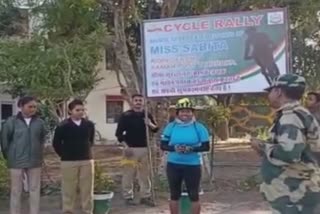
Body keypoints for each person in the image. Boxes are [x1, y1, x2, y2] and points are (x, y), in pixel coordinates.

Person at [250, 74, 320, 213]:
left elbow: (289, 153)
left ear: (279, 92)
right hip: (299, 191)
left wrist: (262, 146)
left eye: (270, 91)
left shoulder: (291, 116)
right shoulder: (301, 113)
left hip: (295, 194)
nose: (269, 95)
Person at [160, 98, 210, 214]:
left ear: (192, 113)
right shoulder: (171, 127)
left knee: (194, 195)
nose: (185, 114)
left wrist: (191, 149)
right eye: (182, 111)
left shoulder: (199, 127)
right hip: (174, 164)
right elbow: (163, 145)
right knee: (174, 194)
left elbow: (206, 147)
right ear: (177, 113)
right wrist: (174, 148)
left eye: (188, 111)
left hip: (192, 165)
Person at [0, 96, 48, 214]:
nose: (33, 109)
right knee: (16, 190)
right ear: (21, 106)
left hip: (35, 161)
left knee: (34, 190)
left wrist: (39, 155)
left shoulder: (40, 123)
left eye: (35, 107)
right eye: (30, 106)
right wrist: (9, 157)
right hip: (16, 161)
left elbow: (41, 140)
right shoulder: (11, 122)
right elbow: (4, 142)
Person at [53, 99, 95, 214]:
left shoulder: (89, 125)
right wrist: (65, 154)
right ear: (70, 111)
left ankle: (87, 210)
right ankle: (68, 210)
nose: (80, 112)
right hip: (68, 161)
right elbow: (56, 144)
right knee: (68, 188)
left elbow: (91, 141)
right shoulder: (62, 126)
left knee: (87, 188)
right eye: (77, 110)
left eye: (82, 110)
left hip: (87, 160)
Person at [115, 94, 158, 206]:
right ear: (132, 102)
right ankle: (128, 196)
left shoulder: (147, 114)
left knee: (144, 174)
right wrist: (126, 147)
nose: (138, 102)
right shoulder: (126, 116)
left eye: (140, 100)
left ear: (143, 102)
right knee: (128, 174)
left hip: (145, 149)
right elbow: (119, 134)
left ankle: (145, 196)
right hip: (130, 150)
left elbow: (155, 129)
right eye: (136, 100)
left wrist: (150, 124)